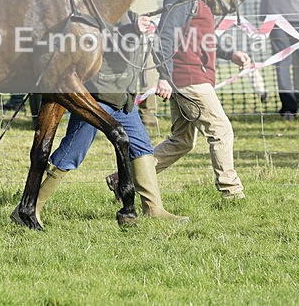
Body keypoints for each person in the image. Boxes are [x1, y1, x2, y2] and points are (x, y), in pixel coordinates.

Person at [10, 11, 186, 226]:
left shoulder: (131, 14)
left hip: (123, 101)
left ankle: (154, 209)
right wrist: (131, 30)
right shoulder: (97, 13)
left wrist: (162, 75)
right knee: (70, 155)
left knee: (142, 150)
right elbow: (99, 41)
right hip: (95, 101)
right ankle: (28, 209)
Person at [152, 0, 250, 200]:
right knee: (221, 130)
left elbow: (201, 36)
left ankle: (124, 177)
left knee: (181, 141)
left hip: (190, 76)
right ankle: (232, 193)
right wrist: (164, 76)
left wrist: (230, 53)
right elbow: (166, 36)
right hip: (189, 78)